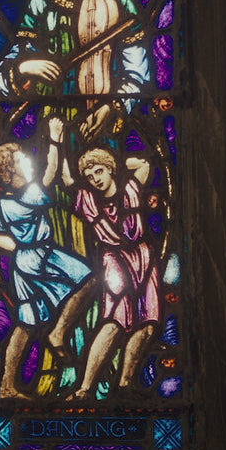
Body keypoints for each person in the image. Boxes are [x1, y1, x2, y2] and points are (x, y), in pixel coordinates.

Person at [0, 0, 149, 141]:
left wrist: (113, 106)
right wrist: (26, 66)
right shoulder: (42, 3)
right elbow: (8, 67)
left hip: (100, 116)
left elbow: (137, 71)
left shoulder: (118, 0)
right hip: (52, 121)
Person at [0, 117, 92, 399]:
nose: (29, 163)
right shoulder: (29, 195)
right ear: (12, 172)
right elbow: (51, 173)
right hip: (41, 256)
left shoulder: (2, 204)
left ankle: (7, 385)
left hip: (24, 261)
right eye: (23, 161)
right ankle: (58, 332)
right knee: (88, 280)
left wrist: (18, 248)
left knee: (27, 322)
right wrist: (55, 139)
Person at [64, 148, 159, 398]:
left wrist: (117, 161)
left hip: (143, 257)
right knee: (115, 321)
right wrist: (56, 139)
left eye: (99, 171)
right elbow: (67, 179)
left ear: (110, 169)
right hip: (114, 259)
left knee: (148, 323)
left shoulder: (131, 188)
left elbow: (143, 164)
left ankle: (125, 384)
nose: (95, 179)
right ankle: (85, 388)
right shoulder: (88, 200)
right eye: (90, 176)